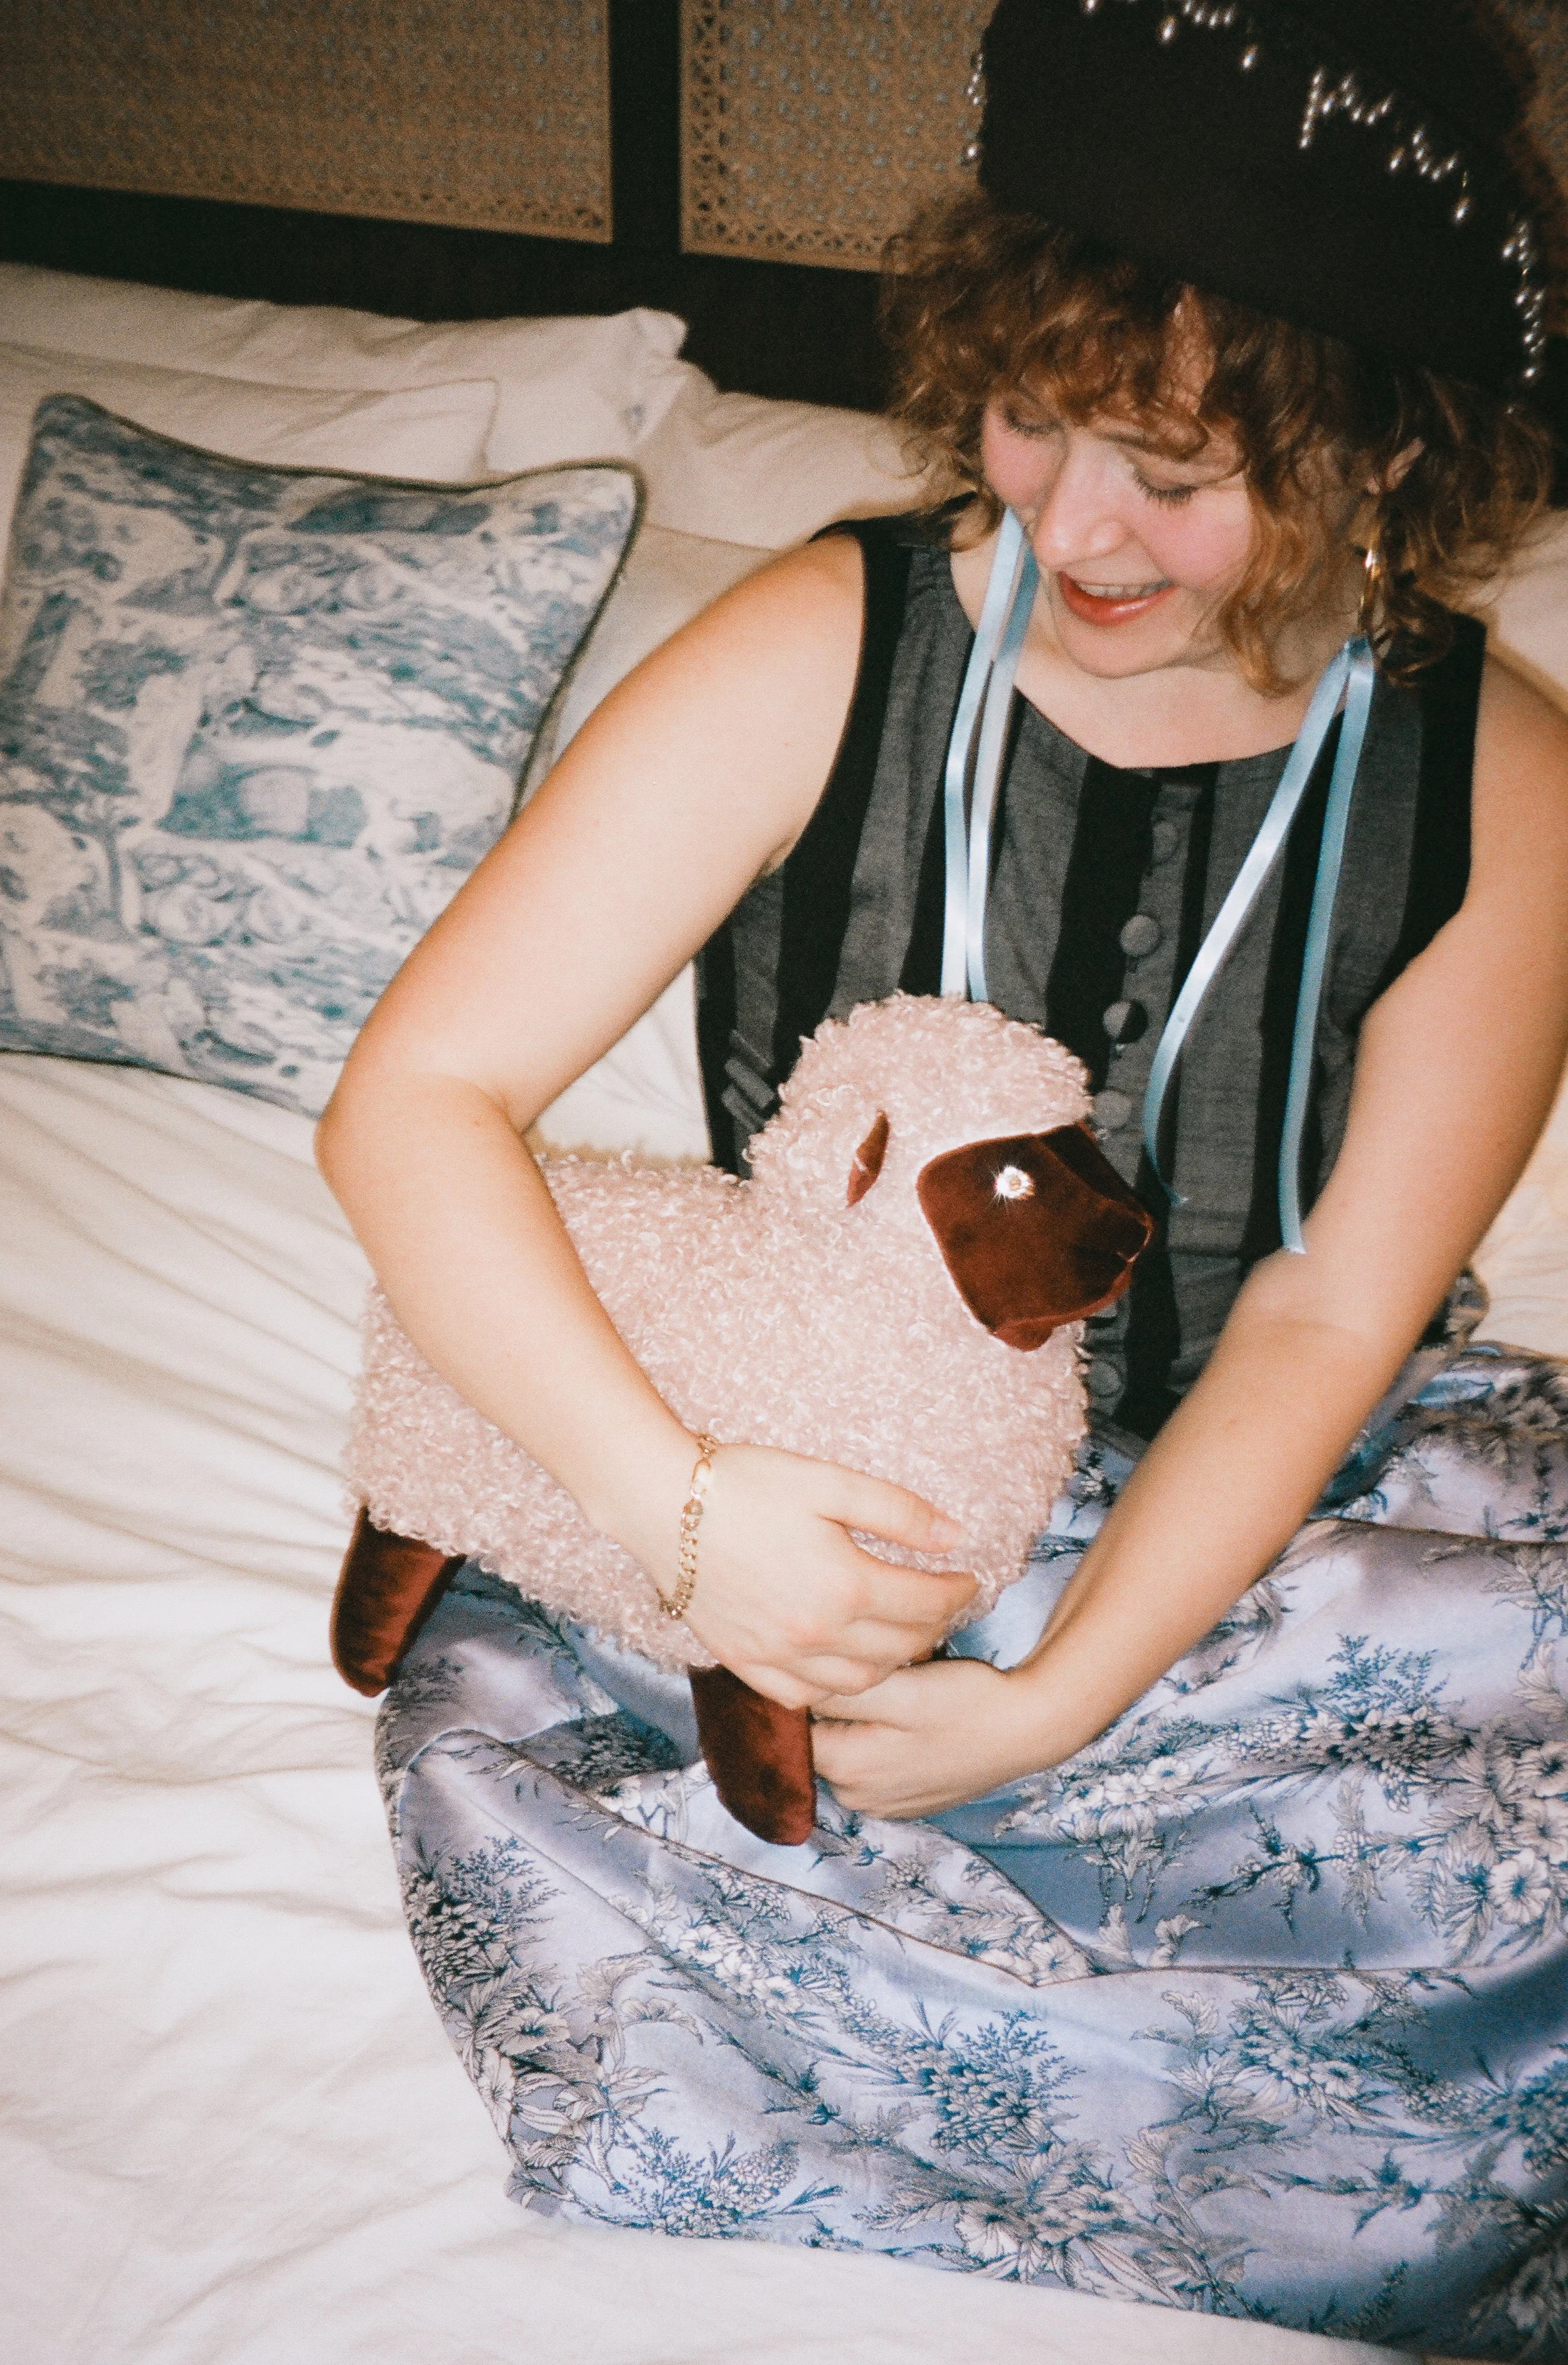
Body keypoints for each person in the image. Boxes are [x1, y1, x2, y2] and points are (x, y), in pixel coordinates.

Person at [317, 0, 1568, 2348]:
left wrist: (1064, 1695)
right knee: (569, 1799)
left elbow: (1324, 1308)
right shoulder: (820, 639)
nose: (1076, 527)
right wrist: (684, 1513)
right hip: (802, 1472)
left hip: (1247, 1508)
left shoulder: (1500, 774)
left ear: (1378, 446)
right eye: (1036, 420)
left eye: (1179, 468)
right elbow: (410, 1107)